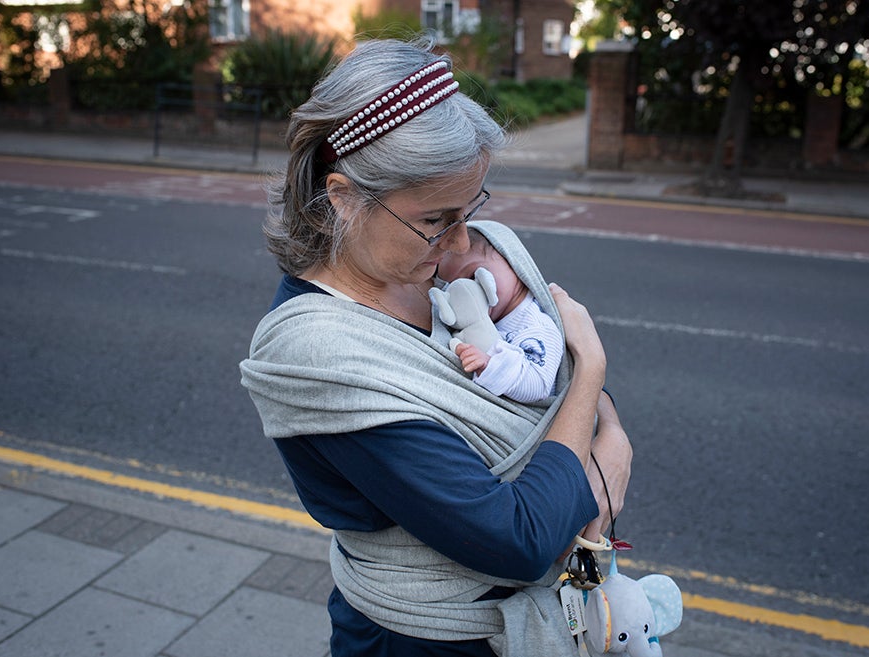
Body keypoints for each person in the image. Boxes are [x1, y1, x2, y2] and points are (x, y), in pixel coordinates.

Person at [239, 36, 633, 657]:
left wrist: (584, 419)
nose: (458, 246)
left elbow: (534, 370)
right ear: (343, 198)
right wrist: (596, 405)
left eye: (469, 211)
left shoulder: (430, 275)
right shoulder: (318, 354)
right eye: (434, 220)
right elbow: (522, 541)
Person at [435, 228, 564, 403]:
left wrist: (490, 364)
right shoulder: (476, 321)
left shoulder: (536, 325)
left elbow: (538, 384)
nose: (467, 293)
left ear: (513, 262)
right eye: (451, 287)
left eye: (474, 276)